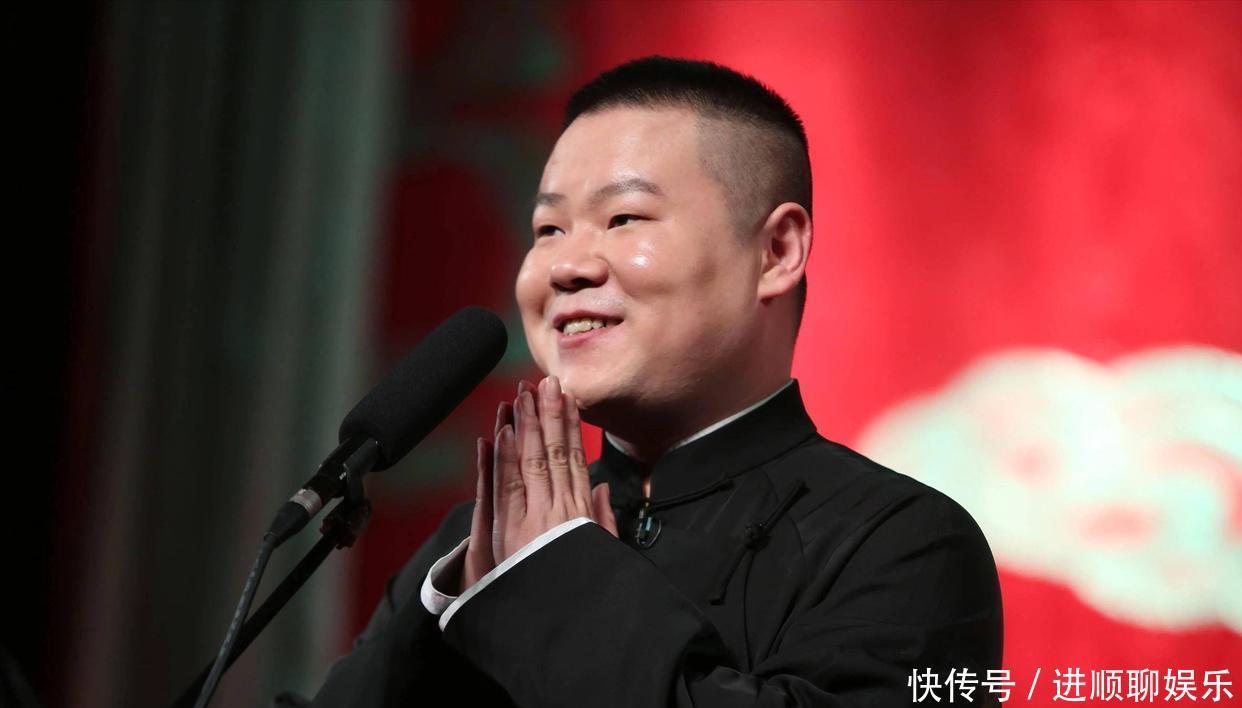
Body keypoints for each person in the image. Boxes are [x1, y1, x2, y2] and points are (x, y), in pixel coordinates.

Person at [306, 56, 1003, 707]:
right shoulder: (483, 537)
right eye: (548, 229)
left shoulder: (905, 544)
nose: (566, 267)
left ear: (775, 251)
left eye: (623, 218)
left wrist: (561, 579)